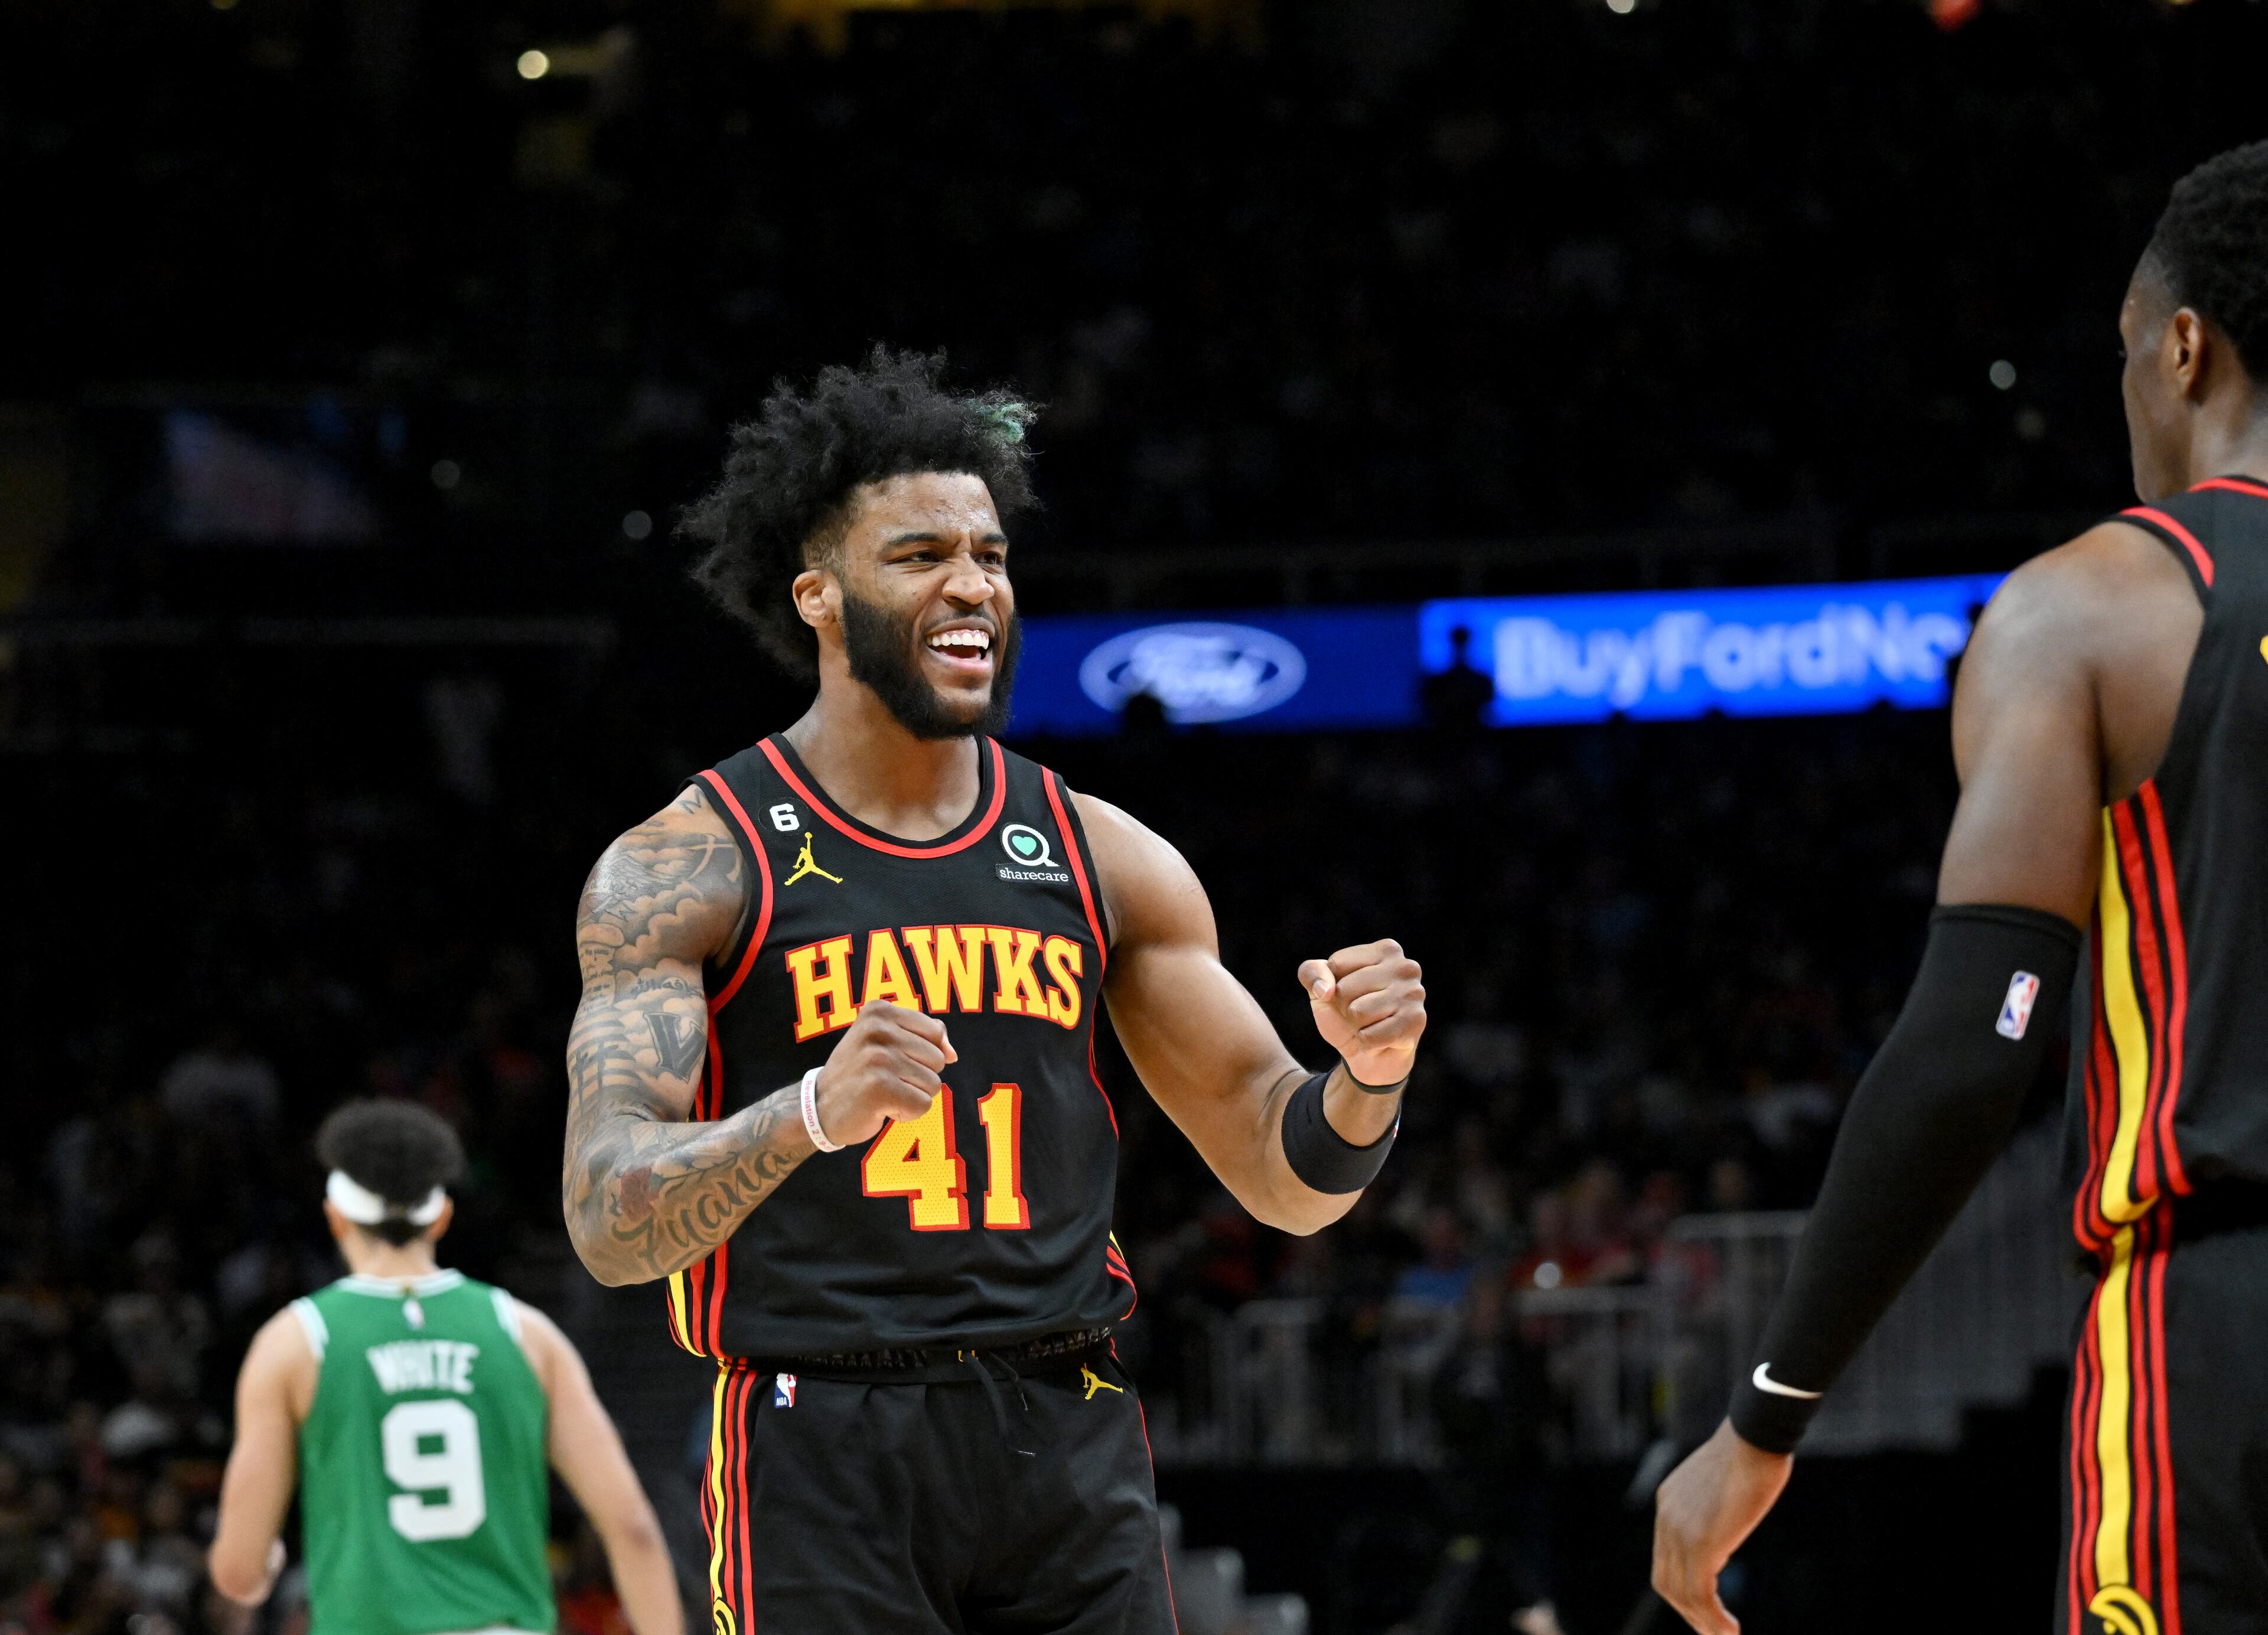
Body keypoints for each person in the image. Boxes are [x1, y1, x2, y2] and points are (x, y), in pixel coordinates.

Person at [561, 347, 1428, 1635]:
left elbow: (1279, 1169)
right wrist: (806, 1113)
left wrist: (1367, 1082)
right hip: (822, 1437)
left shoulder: (1106, 855)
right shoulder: (688, 863)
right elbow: (608, 1218)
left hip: (1064, 1425)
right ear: (817, 594)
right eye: (919, 555)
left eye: (990, 554)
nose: (971, 584)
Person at [1652, 141, 2268, 1635]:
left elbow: (1973, 1040)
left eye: (2124, 351)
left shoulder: (2091, 611)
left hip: (2218, 1326)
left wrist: (1766, 1411)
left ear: (2180, 347)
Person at [209, 1102, 682, 1635]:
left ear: (335, 1217)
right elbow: (633, 1528)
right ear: (441, 1216)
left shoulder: (292, 1342)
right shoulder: (526, 1333)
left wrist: (263, 1562)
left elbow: (238, 1573)